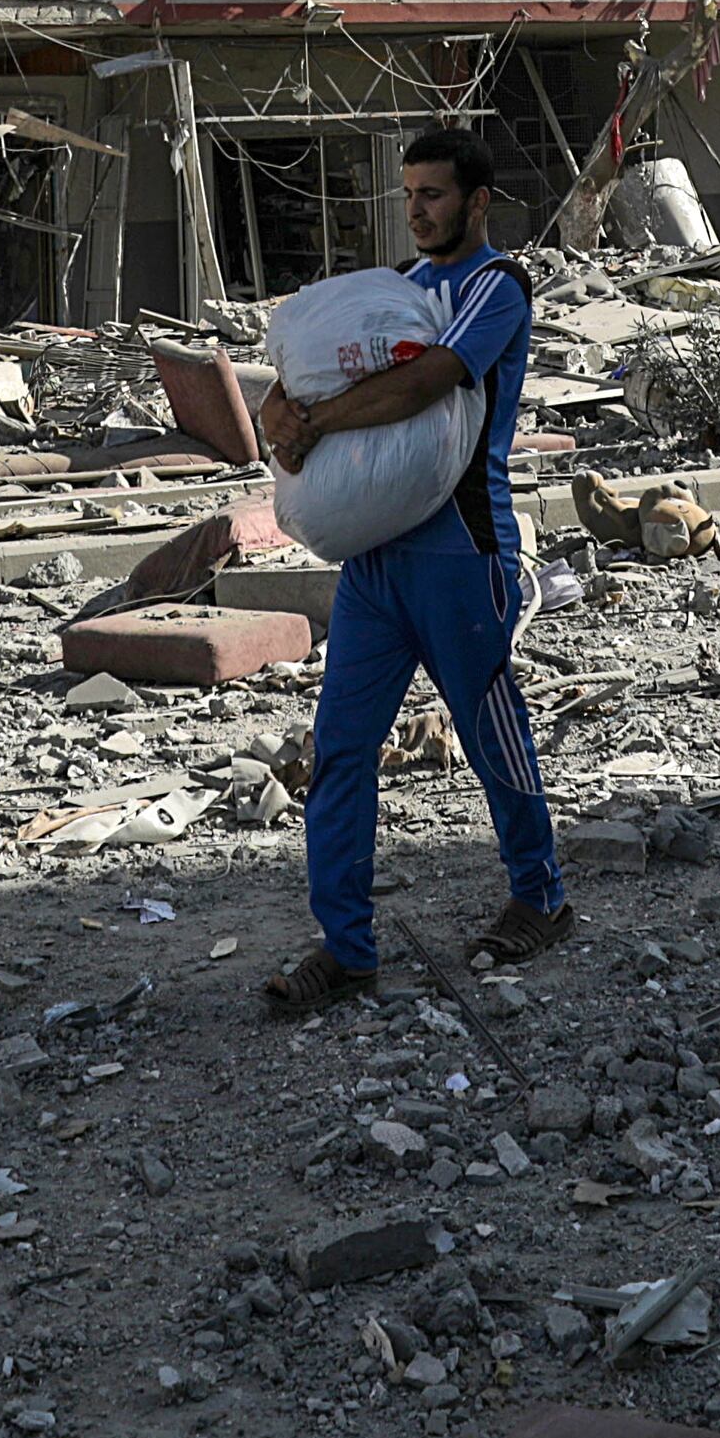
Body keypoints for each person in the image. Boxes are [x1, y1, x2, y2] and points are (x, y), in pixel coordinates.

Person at [259, 126, 570, 1011]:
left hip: (458, 551)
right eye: (409, 194)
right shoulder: (396, 289)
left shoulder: (494, 286)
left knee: (487, 724)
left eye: (434, 194)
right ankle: (348, 946)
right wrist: (280, 403)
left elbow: (428, 380)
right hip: (374, 558)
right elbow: (302, 365)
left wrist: (316, 421)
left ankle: (541, 893)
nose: (418, 209)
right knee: (343, 745)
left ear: (477, 203)